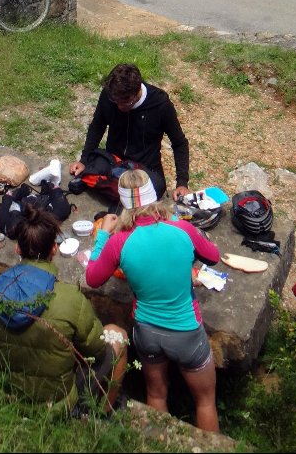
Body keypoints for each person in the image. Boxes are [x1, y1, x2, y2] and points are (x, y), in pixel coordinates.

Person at [85, 168, 221, 433]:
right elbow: (213, 256)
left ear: (123, 203)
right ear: (155, 197)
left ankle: (156, 442)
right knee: (205, 402)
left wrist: (103, 234)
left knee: (156, 395)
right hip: (187, 332)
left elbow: (92, 277)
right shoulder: (182, 229)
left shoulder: (118, 242)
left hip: (147, 331)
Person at [0, 203, 128, 416]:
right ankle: (103, 414)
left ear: (17, 249)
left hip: (7, 394)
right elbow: (97, 350)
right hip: (55, 405)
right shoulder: (69, 297)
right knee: (118, 335)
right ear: (54, 249)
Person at [69, 62, 190, 201]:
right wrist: (84, 160)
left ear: (138, 90)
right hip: (114, 162)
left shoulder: (160, 104)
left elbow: (179, 143)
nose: (119, 106)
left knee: (154, 188)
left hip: (145, 170)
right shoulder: (110, 96)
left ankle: (116, 190)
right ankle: (119, 191)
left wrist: (182, 182)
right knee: (88, 167)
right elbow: (97, 126)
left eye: (125, 102)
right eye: (116, 102)